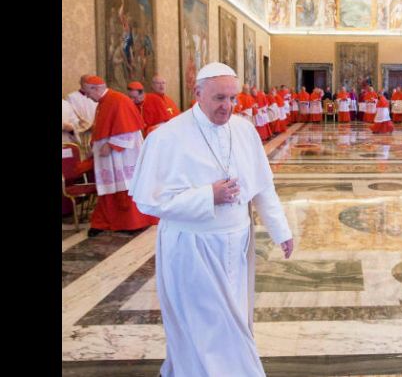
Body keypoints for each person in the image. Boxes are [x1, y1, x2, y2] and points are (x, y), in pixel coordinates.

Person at [128, 62, 294, 377]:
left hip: (236, 245)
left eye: (233, 98)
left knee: (234, 318)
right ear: (198, 93)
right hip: (193, 248)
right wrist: (207, 196)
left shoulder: (244, 130)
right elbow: (149, 200)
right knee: (205, 323)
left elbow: (262, 185)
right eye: (220, 98)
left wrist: (280, 230)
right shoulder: (167, 137)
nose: (228, 107)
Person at [83, 76, 156, 236]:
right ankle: (105, 221)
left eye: (88, 92)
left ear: (95, 88)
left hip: (123, 155)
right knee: (109, 188)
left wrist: (112, 144)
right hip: (109, 156)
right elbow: (102, 128)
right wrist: (93, 147)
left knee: (124, 187)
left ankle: (133, 223)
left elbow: (129, 129)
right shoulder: (103, 102)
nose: (87, 96)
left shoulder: (118, 100)